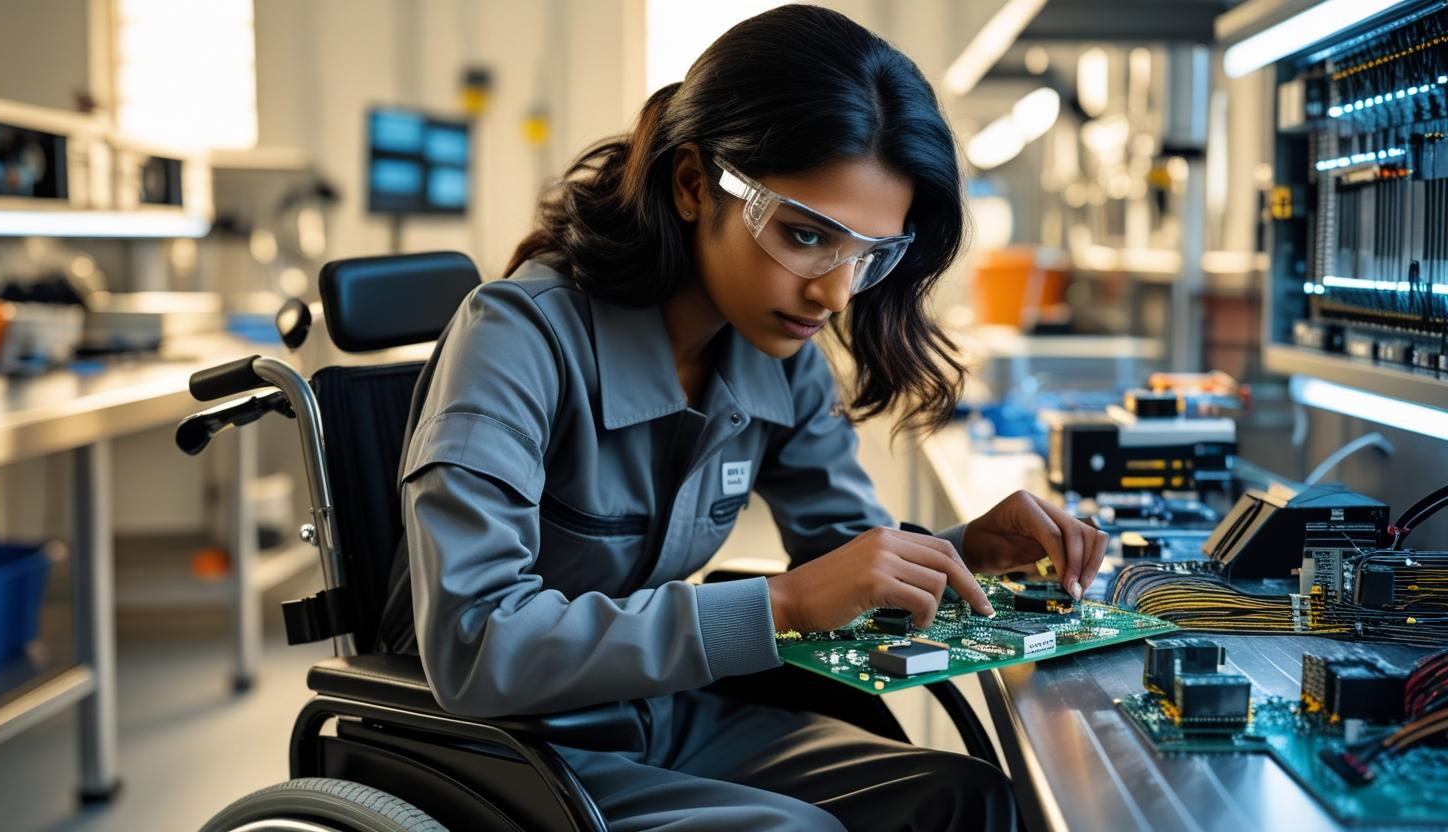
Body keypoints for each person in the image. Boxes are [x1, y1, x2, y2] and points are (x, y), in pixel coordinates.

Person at [385, 5, 1106, 830]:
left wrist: (959, 552)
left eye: (869, 257)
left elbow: (843, 560)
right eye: (804, 236)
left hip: (647, 715)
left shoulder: (777, 359)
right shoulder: (516, 336)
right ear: (695, 184)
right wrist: (781, 605)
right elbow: (475, 643)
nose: (833, 293)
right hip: (493, 747)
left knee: (963, 795)